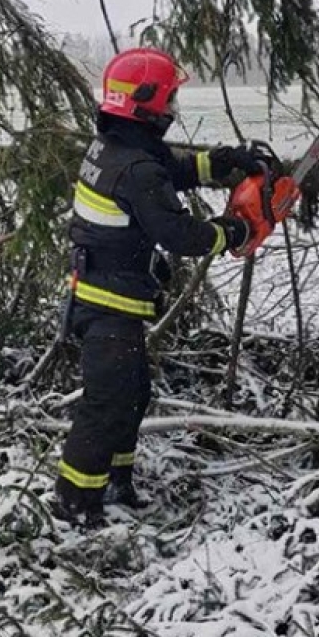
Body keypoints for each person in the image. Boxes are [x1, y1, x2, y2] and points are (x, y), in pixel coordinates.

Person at [55, 47, 261, 528]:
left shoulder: (115, 147)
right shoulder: (137, 168)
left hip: (105, 295)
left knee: (132, 393)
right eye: (168, 100)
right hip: (107, 304)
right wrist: (233, 231)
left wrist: (224, 162)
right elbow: (180, 235)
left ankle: (117, 483)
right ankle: (75, 502)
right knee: (106, 403)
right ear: (147, 104)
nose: (172, 109)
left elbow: (169, 170)